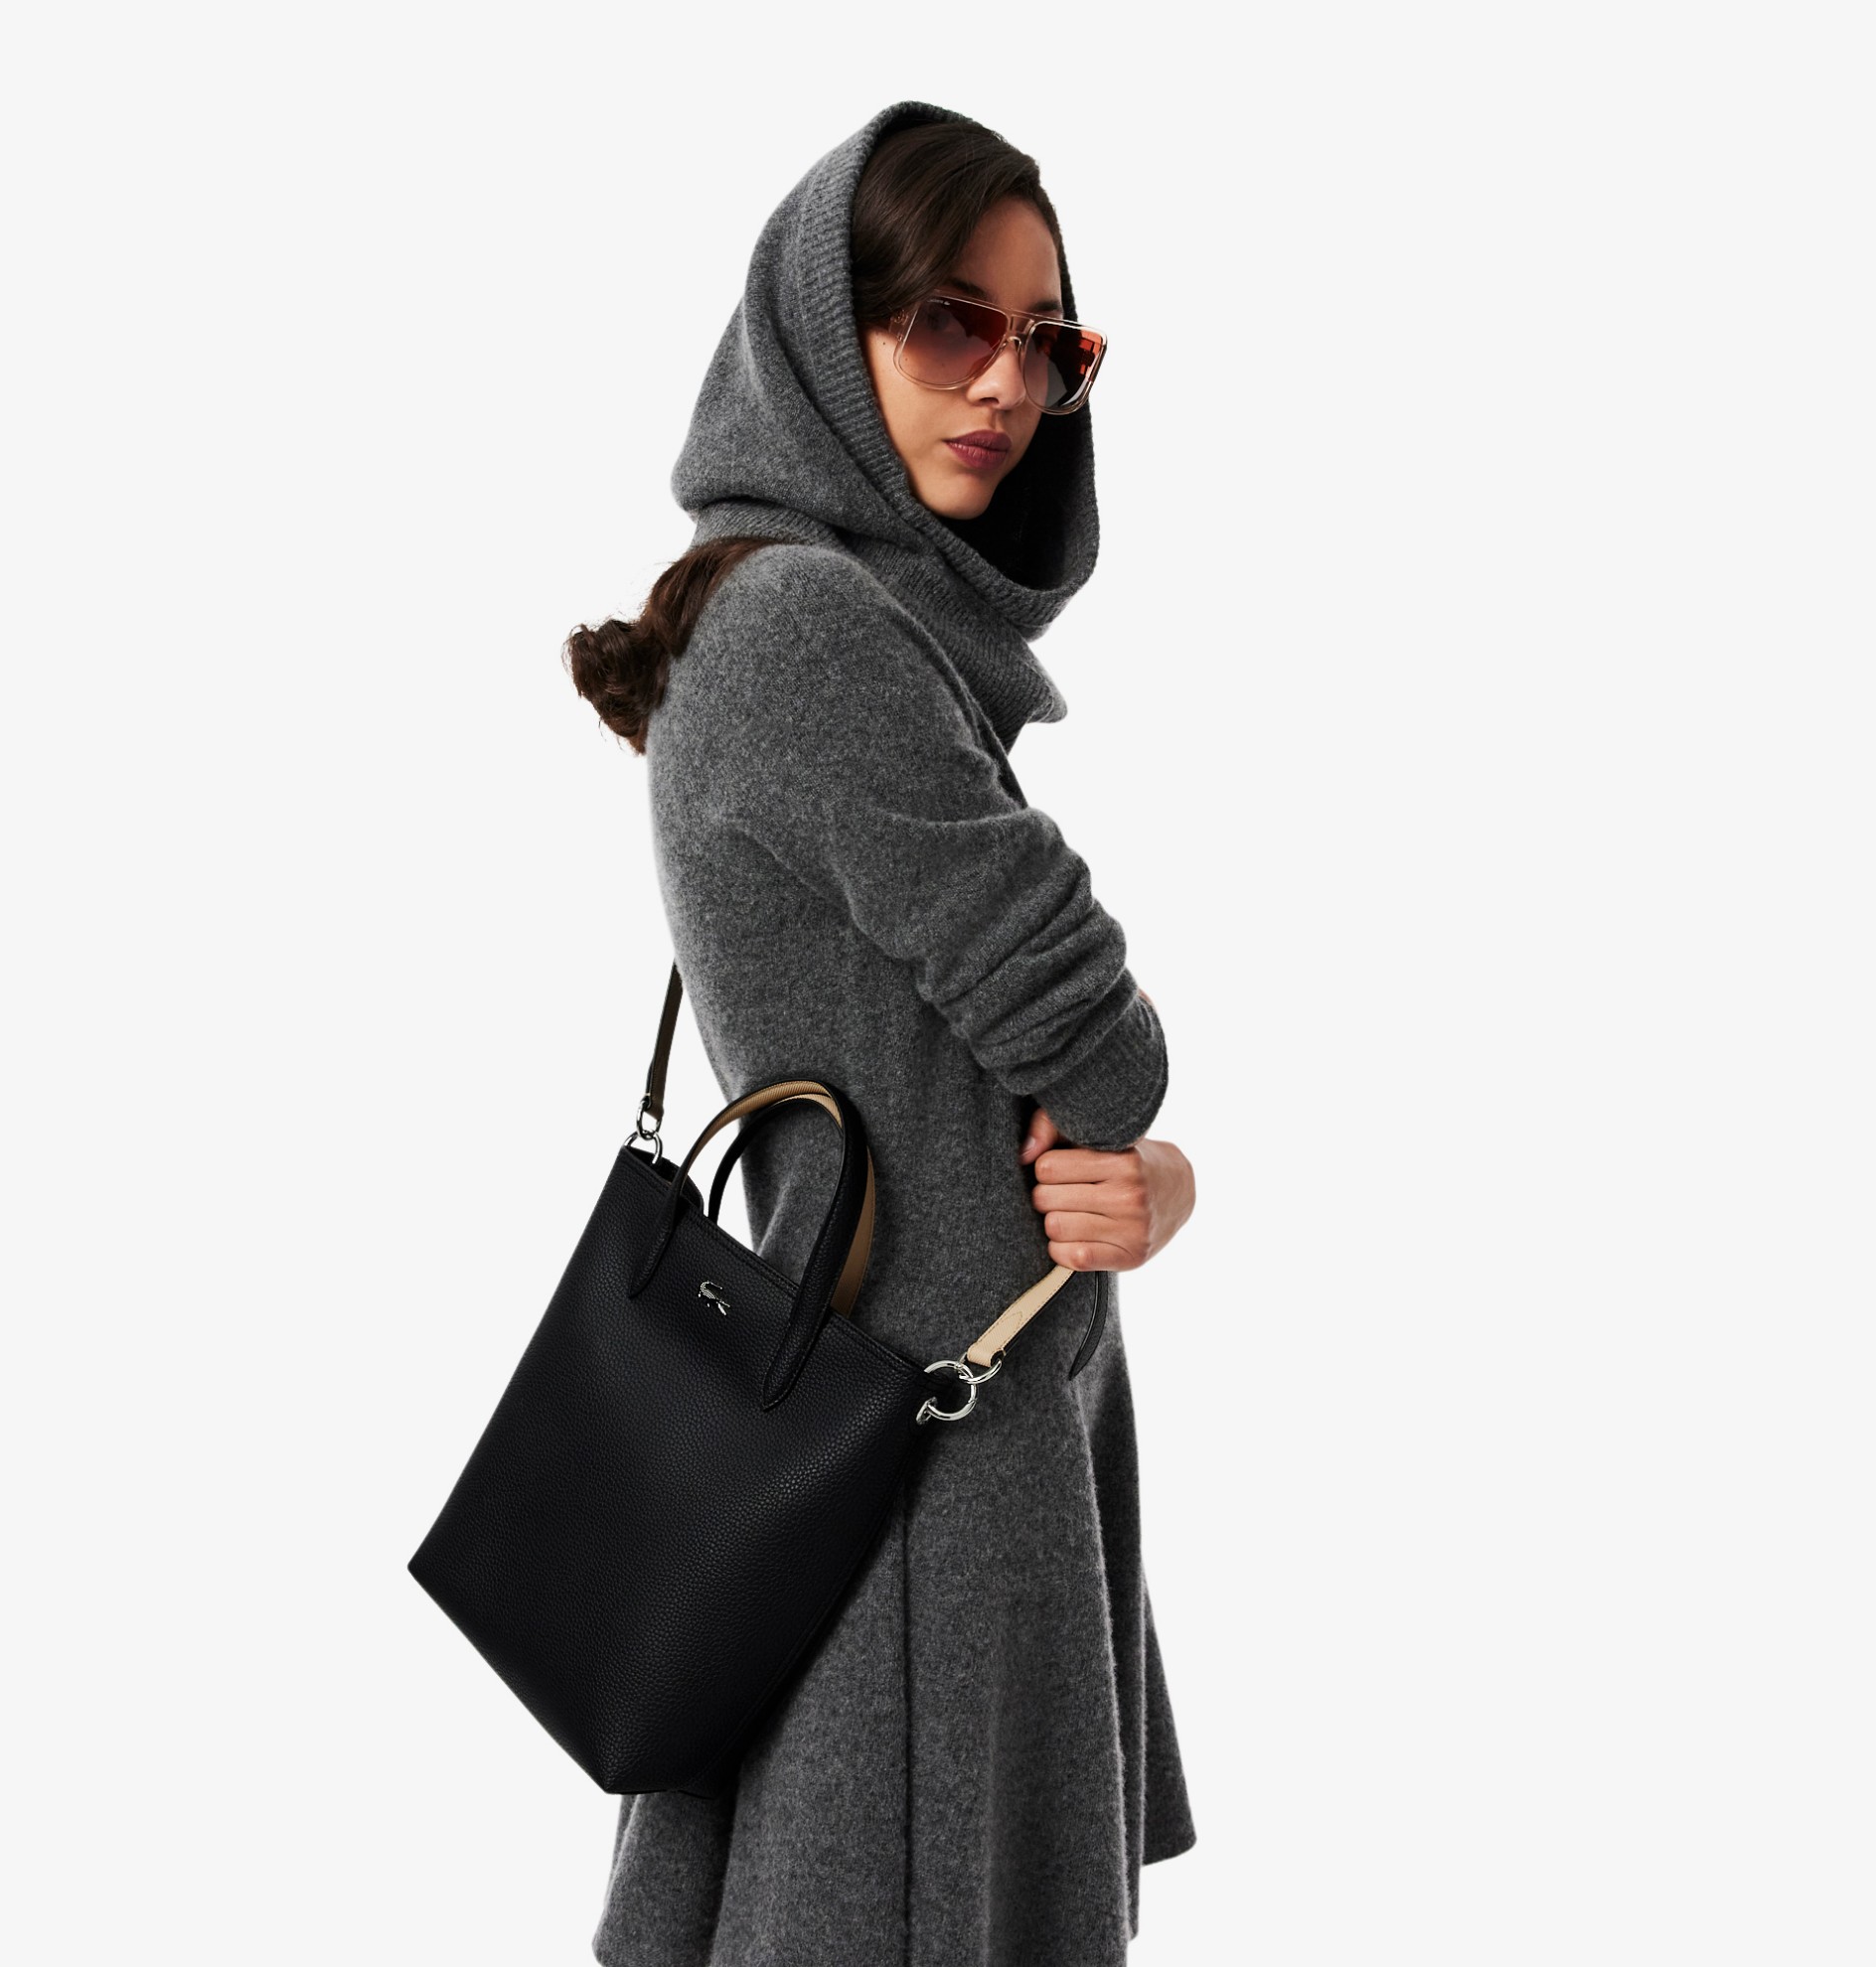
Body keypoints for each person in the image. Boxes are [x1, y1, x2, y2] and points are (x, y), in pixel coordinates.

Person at [567, 97, 1198, 1967]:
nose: (1007, 382)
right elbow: (1101, 1044)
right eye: (948, 322)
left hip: (938, 1426)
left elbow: (1020, 1075)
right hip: (918, 1471)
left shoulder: (841, 629)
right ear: (821, 345)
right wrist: (1137, 1140)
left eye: (1048, 339)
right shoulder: (810, 636)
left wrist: (1144, 1188)